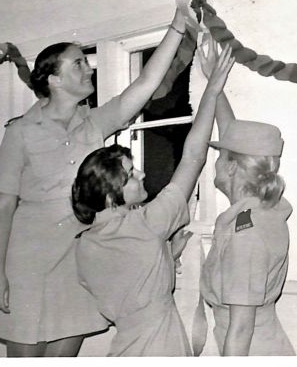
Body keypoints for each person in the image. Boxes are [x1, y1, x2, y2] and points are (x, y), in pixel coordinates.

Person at [0, 0, 191, 357]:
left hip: (80, 258)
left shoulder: (94, 124)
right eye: (79, 64)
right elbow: (3, 206)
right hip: (28, 261)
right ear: (54, 79)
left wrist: (177, 24)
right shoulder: (20, 132)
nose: (89, 69)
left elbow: (143, 86)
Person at [71, 45, 235, 356]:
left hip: (124, 346)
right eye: (131, 175)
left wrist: (163, 256)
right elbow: (193, 157)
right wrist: (212, 89)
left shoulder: (84, 243)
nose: (143, 175)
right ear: (111, 195)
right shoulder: (146, 224)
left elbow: (128, 279)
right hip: (159, 344)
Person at [196, 34, 295, 356]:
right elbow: (234, 134)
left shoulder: (245, 232)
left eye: (221, 156)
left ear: (235, 169)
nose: (216, 162)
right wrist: (215, 81)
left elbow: (240, 327)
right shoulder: (266, 207)